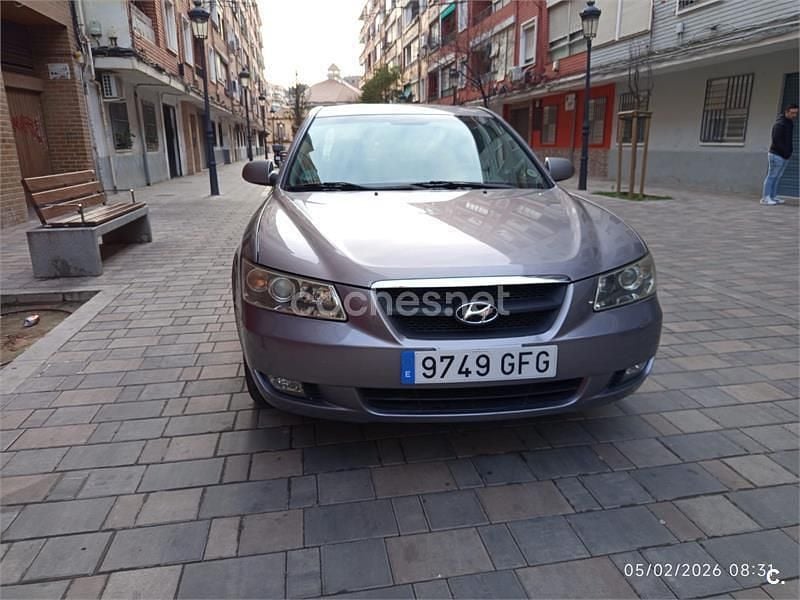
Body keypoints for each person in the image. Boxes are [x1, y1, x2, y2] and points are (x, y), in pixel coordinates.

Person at [761, 103, 798, 205]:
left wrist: (789, 152)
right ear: (786, 112)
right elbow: (776, 140)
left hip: (785, 155)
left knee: (778, 176)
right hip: (776, 155)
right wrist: (785, 152)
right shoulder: (779, 124)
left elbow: (788, 140)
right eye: (792, 113)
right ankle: (765, 198)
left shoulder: (789, 123)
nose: (794, 115)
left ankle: (773, 196)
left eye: (796, 113)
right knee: (772, 176)